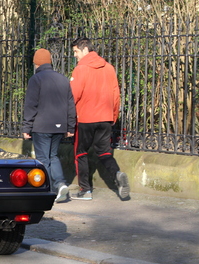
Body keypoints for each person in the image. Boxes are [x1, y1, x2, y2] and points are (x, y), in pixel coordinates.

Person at [70, 37, 130, 201]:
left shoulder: (80, 69)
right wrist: (113, 117)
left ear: (84, 49)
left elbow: (73, 96)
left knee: (80, 153)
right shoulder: (109, 68)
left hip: (85, 118)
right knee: (104, 152)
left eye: (76, 51)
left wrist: (69, 118)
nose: (75, 55)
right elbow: (116, 95)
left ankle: (85, 190)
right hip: (105, 117)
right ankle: (117, 174)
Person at [22, 48, 76, 203]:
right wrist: (70, 127)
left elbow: (31, 105)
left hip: (42, 125)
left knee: (43, 158)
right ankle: (60, 184)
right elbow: (70, 105)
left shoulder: (36, 79)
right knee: (53, 156)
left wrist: (27, 128)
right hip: (60, 125)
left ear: (36, 63)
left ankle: (46, 190)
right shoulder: (63, 79)